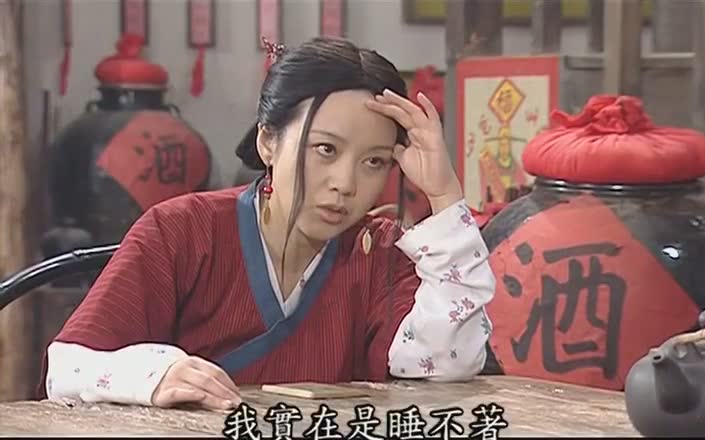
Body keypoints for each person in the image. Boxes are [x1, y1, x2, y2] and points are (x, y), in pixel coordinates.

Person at [42, 37, 496, 411]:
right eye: (325, 149)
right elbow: (67, 367)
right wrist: (156, 374)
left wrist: (444, 194)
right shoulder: (182, 230)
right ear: (268, 141)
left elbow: (445, 363)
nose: (345, 184)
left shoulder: (380, 254)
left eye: (374, 161)